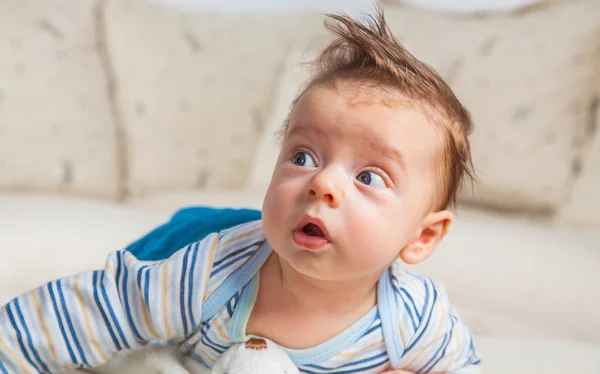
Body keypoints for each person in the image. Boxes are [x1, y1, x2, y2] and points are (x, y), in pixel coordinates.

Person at [0, 8, 480, 374]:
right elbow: (92, 311)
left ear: (422, 237)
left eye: (368, 177)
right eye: (303, 157)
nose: (322, 182)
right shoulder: (209, 274)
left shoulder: (416, 321)